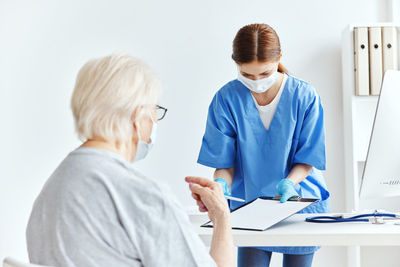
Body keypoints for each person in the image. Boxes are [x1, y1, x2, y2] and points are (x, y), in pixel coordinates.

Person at [26, 54, 234, 267]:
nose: (154, 120)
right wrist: (221, 218)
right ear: (137, 117)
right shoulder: (143, 197)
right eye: (155, 110)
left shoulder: (49, 193)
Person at [197, 23, 330, 267]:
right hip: (250, 205)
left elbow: (308, 157)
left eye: (265, 74)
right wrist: (220, 185)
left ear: (279, 58)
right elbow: (223, 163)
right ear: (236, 64)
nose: (256, 81)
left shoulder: (304, 96)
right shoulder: (226, 99)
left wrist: (290, 183)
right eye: (247, 75)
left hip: (299, 200)